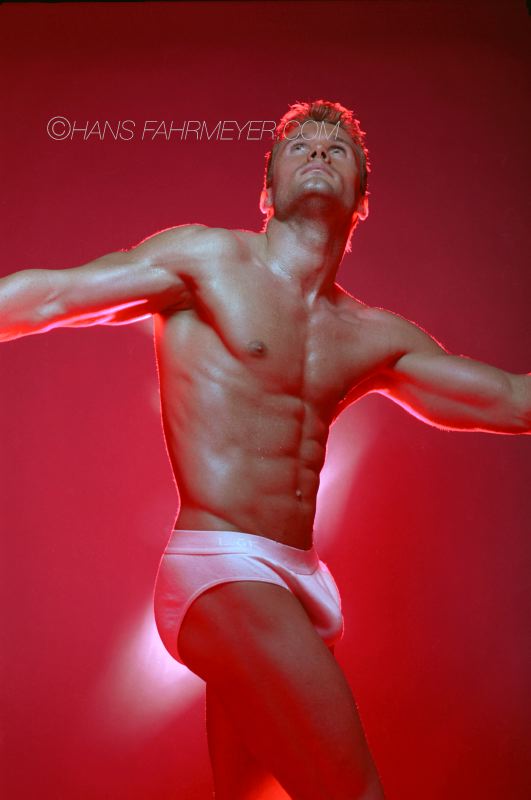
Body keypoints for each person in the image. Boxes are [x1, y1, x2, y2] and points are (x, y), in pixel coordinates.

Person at [1, 99, 529, 800]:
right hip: (219, 568)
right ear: (266, 191)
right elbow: (48, 297)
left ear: (362, 201)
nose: (318, 153)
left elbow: (512, 400)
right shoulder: (206, 262)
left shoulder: (375, 336)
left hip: (301, 581)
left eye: (338, 150)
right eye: (298, 146)